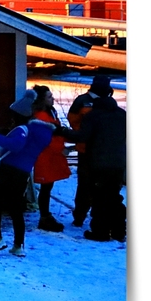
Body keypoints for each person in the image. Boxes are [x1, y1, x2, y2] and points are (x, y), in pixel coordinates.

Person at [0, 89, 54, 257]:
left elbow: (16, 145)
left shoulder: (22, 129)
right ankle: (18, 245)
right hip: (23, 172)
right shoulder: (39, 132)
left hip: (9, 170)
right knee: (15, 208)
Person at [56, 85, 126, 242]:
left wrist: (62, 131)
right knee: (114, 196)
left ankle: (100, 232)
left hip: (99, 164)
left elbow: (82, 136)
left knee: (100, 198)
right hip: (119, 163)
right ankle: (119, 230)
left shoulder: (93, 116)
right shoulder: (122, 115)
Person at [67, 75, 111, 227]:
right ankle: (80, 215)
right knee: (85, 184)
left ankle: (95, 214)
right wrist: (85, 132)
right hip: (85, 149)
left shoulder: (106, 102)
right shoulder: (82, 100)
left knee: (99, 184)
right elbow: (72, 119)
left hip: (101, 149)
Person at [31, 85, 70, 233]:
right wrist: (62, 148)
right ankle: (44, 217)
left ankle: (46, 216)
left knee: (48, 187)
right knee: (46, 187)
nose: (52, 99)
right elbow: (46, 138)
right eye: (49, 97)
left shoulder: (49, 113)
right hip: (46, 155)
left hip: (51, 154)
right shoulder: (41, 116)